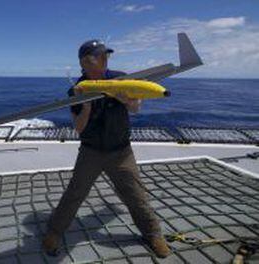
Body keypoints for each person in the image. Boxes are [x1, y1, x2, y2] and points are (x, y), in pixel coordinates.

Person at [42, 40, 171, 258]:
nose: (105, 59)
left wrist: (127, 101)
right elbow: (79, 129)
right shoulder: (76, 90)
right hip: (91, 151)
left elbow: (137, 109)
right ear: (85, 62)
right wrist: (85, 106)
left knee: (135, 194)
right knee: (75, 193)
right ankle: (54, 232)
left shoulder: (121, 78)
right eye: (99, 56)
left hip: (121, 151)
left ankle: (153, 234)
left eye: (105, 56)